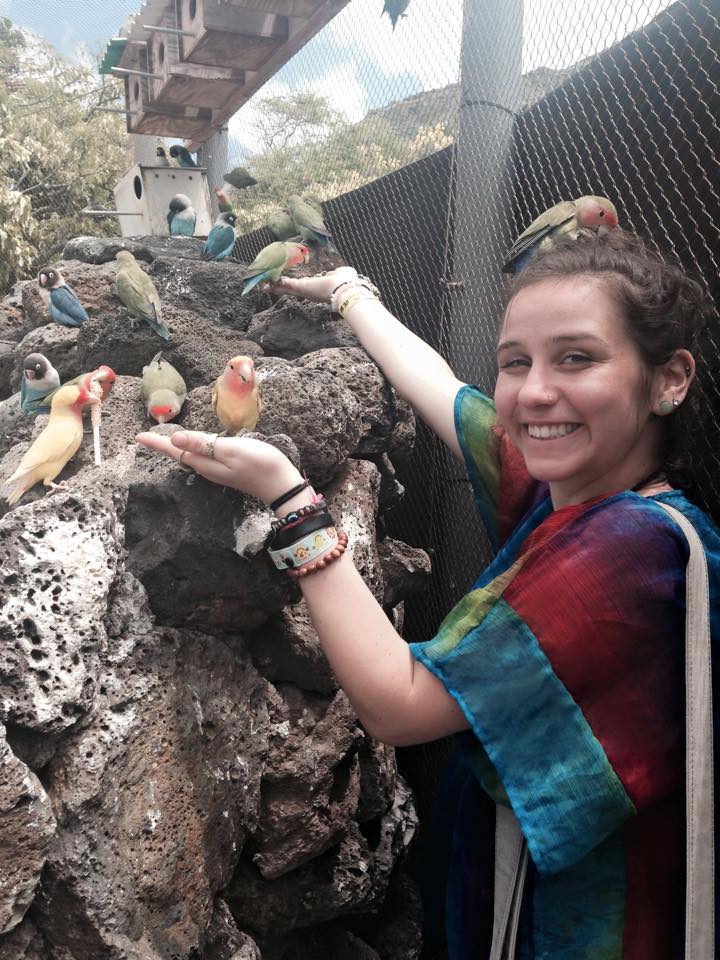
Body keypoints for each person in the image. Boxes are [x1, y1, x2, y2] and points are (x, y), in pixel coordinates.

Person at [136, 230, 720, 958]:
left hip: (580, 925)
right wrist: (348, 292)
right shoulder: (567, 488)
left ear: (670, 379)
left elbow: (400, 700)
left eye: (577, 358)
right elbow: (439, 386)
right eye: (516, 361)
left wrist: (287, 499)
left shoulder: (627, 547)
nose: (535, 391)